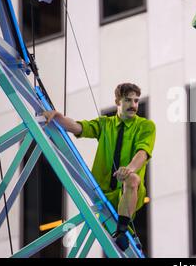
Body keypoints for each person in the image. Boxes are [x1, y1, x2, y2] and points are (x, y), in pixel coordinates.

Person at [43, 83, 156, 250]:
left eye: (136, 101)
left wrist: (129, 169)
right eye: (128, 100)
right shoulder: (105, 124)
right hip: (102, 192)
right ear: (118, 101)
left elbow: (143, 152)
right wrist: (59, 118)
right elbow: (80, 127)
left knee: (132, 178)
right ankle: (122, 229)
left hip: (130, 192)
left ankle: (122, 230)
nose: (133, 105)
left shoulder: (146, 126)